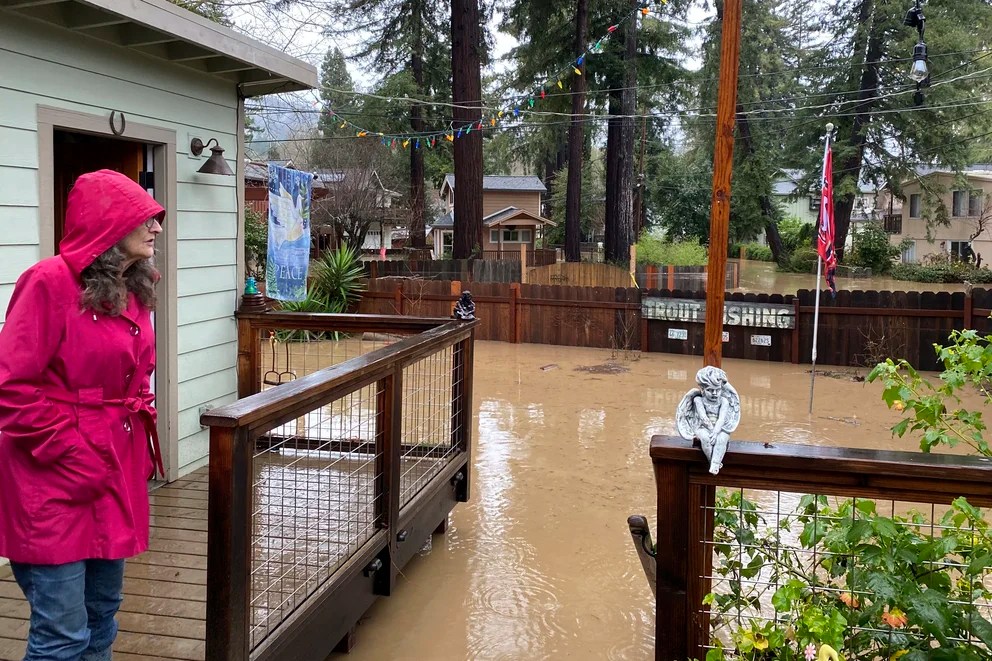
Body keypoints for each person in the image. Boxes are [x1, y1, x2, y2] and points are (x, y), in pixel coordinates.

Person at [0, 169, 165, 661]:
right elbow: (11, 387)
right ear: (108, 222)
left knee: (101, 619)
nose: (157, 227)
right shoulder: (48, 282)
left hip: (112, 471)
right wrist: (73, 453)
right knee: (61, 636)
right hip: (50, 476)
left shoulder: (133, 288)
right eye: (145, 217)